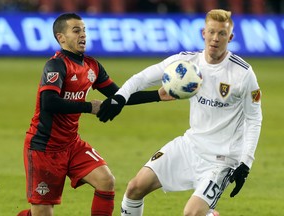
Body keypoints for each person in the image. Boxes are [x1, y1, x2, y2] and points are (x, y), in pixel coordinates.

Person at [97, 9, 262, 216]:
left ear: (230, 37)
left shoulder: (243, 73)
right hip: (190, 145)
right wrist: (120, 97)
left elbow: (254, 118)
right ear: (203, 33)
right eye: (211, 32)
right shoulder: (186, 63)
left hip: (222, 159)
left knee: (191, 213)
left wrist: (245, 162)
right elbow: (143, 77)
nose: (215, 38)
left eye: (221, 34)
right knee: (134, 188)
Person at [17, 13, 172, 216]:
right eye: (76, 30)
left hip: (71, 144)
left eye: (84, 30)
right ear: (60, 37)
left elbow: (119, 96)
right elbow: (49, 103)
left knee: (106, 180)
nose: (83, 35)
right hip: (44, 147)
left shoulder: (93, 66)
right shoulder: (56, 65)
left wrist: (157, 95)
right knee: (43, 213)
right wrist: (89, 107)